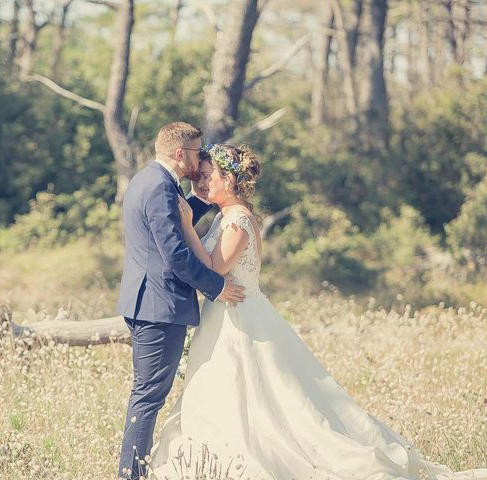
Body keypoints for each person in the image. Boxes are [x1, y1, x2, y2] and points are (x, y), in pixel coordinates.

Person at [148, 143, 487, 480]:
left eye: (208, 177)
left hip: (239, 320)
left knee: (253, 394)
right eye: (200, 177)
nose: (201, 184)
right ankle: (213, 459)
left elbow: (213, 267)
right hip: (225, 314)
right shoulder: (226, 218)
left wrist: (188, 224)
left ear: (231, 180)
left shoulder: (237, 222)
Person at [116, 123, 246, 480]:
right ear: (180, 154)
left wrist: (201, 201)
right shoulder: (159, 187)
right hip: (158, 306)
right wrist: (216, 286)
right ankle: (130, 475)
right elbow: (174, 253)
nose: (200, 159)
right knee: (148, 397)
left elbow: (174, 224)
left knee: (147, 394)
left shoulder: (149, 180)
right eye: (196, 152)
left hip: (149, 302)